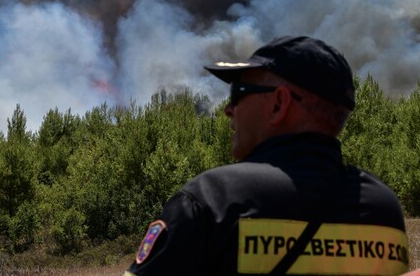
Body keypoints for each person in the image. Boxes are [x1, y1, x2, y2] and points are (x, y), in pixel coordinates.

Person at [124, 36, 409, 276]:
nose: (228, 109)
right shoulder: (382, 209)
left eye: (238, 92)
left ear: (279, 103)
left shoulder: (212, 200)